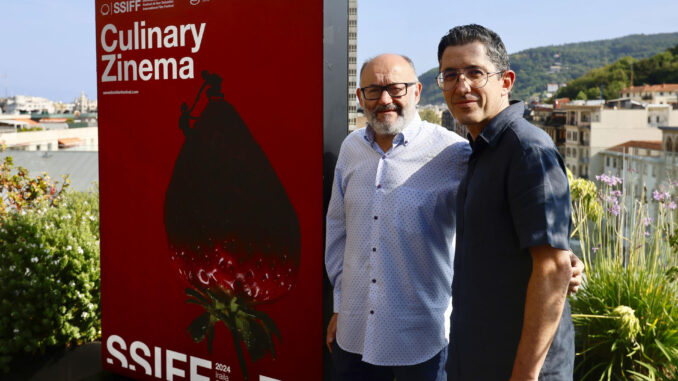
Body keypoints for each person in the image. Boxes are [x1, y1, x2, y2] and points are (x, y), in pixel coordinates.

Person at [324, 53, 583, 381]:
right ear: (361, 97)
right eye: (373, 90)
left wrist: (561, 256)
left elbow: (497, 216)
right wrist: (340, 304)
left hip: (421, 347)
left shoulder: (453, 153)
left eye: (396, 88)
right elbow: (338, 230)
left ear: (417, 92)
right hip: (353, 335)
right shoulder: (350, 150)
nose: (385, 99)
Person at [437, 24, 575, 380]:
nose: (461, 86)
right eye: (450, 75)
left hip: (517, 368)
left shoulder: (526, 150)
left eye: (474, 73)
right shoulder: (482, 151)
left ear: (506, 81)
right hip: (479, 358)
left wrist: (524, 375)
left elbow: (552, 269)